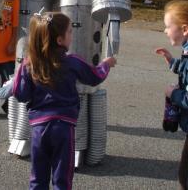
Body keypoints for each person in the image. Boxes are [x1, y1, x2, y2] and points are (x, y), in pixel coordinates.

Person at [12, 11, 116, 190]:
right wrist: (106, 64)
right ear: (59, 40)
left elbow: (20, 94)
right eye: (69, 31)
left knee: (38, 178)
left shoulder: (30, 64)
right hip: (64, 128)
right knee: (62, 180)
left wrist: (21, 72)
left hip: (39, 129)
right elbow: (94, 77)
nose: (72, 34)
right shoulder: (72, 62)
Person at [155, 1, 188, 190]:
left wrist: (174, 94)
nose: (165, 31)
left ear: (185, 29)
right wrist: (172, 62)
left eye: (167, 26)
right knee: (184, 175)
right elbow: (187, 70)